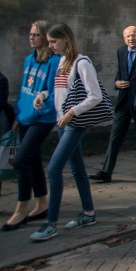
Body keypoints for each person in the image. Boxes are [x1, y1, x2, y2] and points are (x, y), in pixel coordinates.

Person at [30, 24, 101, 242]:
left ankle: (50, 223)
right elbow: (58, 90)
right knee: (77, 168)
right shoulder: (61, 61)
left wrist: (72, 112)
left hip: (75, 123)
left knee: (53, 170)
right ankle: (89, 214)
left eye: (53, 42)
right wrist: (43, 94)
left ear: (66, 40)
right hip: (62, 123)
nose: (50, 46)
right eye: (49, 42)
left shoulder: (82, 63)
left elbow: (95, 95)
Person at [3, 21, 59, 232]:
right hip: (25, 116)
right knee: (33, 160)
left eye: (36, 35)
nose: (31, 38)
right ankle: (42, 203)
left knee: (20, 161)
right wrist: (18, 115)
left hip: (43, 117)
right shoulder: (28, 60)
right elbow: (24, 89)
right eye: (30, 34)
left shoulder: (54, 62)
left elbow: (54, 93)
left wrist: (39, 106)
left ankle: (21, 208)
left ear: (45, 37)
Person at [90, 26, 136, 183]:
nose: (131, 39)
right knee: (115, 136)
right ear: (124, 38)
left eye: (133, 35)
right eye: (128, 36)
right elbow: (120, 72)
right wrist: (116, 82)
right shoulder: (121, 51)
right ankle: (106, 171)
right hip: (123, 101)